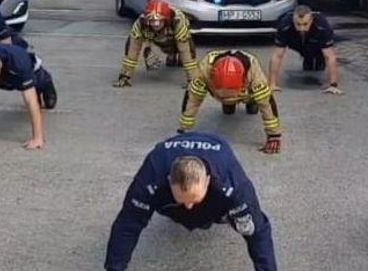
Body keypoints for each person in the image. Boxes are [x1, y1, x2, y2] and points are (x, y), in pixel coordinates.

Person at [104, 132, 276, 271]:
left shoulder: (233, 185)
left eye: (194, 200)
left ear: (207, 181)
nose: (188, 206)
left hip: (215, 197)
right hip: (167, 191)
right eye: (182, 200)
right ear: (169, 180)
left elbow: (257, 232)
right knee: (140, 209)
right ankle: (183, 200)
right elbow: (127, 224)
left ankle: (195, 202)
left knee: (244, 220)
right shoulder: (152, 175)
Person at [179, 50, 282, 154]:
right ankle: (228, 105)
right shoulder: (204, 70)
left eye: (229, 93)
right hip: (219, 92)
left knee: (256, 103)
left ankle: (251, 102)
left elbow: (266, 104)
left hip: (246, 94)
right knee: (228, 110)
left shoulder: (254, 74)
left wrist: (273, 135)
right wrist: (184, 129)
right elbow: (192, 99)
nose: (226, 95)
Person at [113, 0, 197, 88]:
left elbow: (186, 51)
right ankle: (171, 56)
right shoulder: (140, 24)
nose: (155, 24)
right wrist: (125, 76)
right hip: (158, 38)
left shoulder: (178, 21)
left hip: (175, 37)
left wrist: (192, 80)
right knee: (132, 45)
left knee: (185, 50)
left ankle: (175, 57)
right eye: (152, 21)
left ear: (166, 19)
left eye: (158, 20)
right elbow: (132, 51)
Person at [268, 5, 341, 95]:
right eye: (298, 24)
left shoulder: (322, 26)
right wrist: (272, 84)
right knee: (306, 57)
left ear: (311, 20)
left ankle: (316, 59)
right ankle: (307, 57)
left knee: (319, 63)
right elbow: (277, 55)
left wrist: (333, 85)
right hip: (296, 43)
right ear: (293, 20)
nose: (301, 28)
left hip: (317, 44)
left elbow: (330, 56)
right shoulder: (284, 25)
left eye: (305, 24)